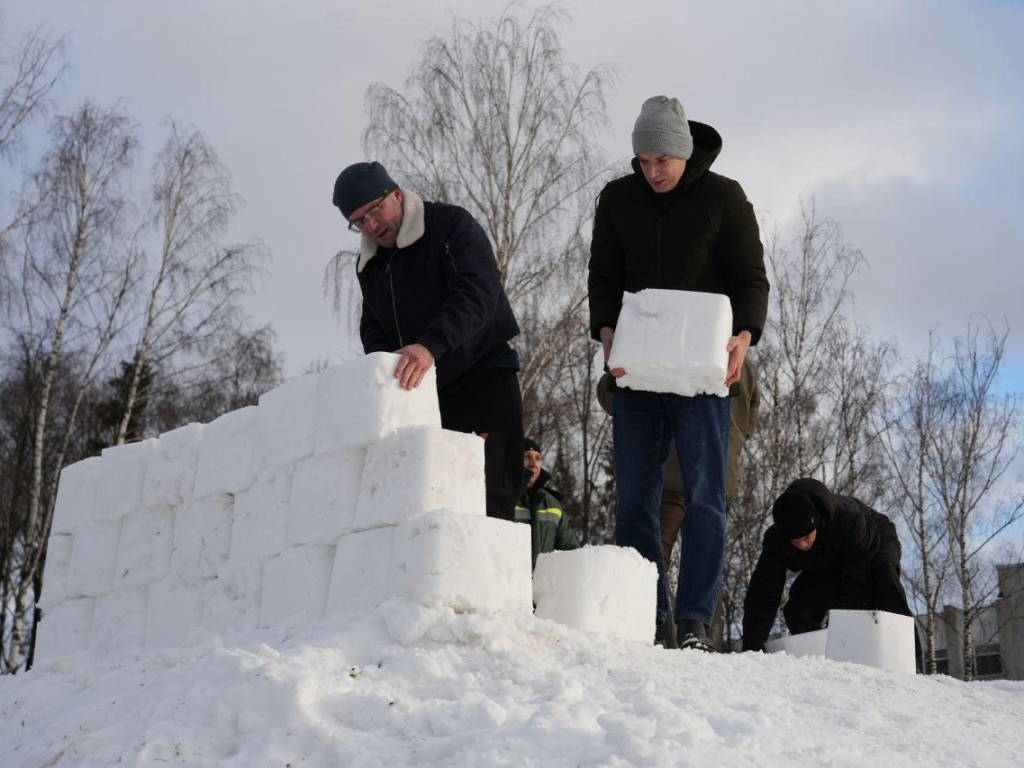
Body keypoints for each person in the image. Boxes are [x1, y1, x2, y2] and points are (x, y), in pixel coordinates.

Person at [588, 95, 769, 651]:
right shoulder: (618, 199)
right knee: (635, 498)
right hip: (638, 371)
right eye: (642, 160)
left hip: (701, 374)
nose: (651, 171)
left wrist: (745, 334)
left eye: (661, 159)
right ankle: (645, 615)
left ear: (684, 152)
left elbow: (750, 278)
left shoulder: (725, 198)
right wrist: (606, 331)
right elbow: (603, 273)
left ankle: (693, 620)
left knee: (706, 495)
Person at [333, 161, 523, 520]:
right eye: (359, 222)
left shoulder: (449, 225)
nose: (371, 226)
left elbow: (477, 291)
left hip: (482, 378)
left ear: (398, 196)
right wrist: (385, 367)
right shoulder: (370, 264)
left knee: (487, 500)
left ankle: (488, 578)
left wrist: (430, 345)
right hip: (422, 397)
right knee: (432, 507)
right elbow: (372, 324)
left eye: (375, 211)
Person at [597, 357, 761, 650]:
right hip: (718, 473)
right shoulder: (746, 366)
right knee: (707, 543)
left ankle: (657, 622)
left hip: (671, 475)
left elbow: (613, 400)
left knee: (659, 545)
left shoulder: (673, 346)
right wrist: (730, 443)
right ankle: (696, 629)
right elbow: (750, 420)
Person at [741, 478, 915, 653]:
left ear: (816, 523)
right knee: (798, 610)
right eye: (795, 542)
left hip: (872, 544)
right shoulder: (776, 541)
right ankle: (818, 661)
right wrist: (751, 648)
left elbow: (858, 583)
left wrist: (838, 631)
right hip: (826, 561)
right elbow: (762, 595)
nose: (802, 545)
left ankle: (910, 654)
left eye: (806, 538)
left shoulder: (848, 519)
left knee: (885, 580)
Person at [516, 438, 581, 568]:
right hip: (512, 584)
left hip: (543, 586)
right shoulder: (504, 498)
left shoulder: (553, 504)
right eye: (526, 457)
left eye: (538, 458)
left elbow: (572, 552)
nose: (533, 463)